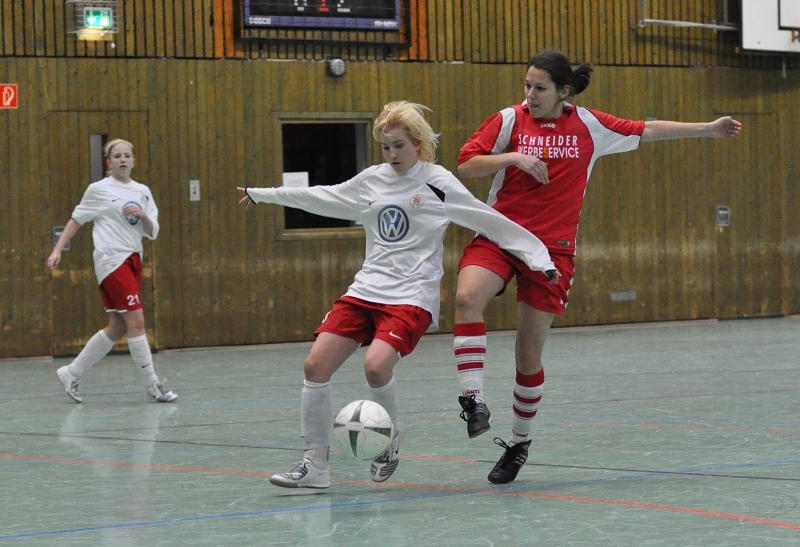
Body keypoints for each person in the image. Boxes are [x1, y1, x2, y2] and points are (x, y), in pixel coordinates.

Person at [452, 49, 742, 484]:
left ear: (564, 92)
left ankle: (518, 443)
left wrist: (708, 128)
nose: (530, 94)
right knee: (466, 297)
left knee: (528, 355)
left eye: (540, 88)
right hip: (501, 236)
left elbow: (647, 129)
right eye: (527, 85)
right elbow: (466, 164)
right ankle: (473, 400)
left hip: (552, 251)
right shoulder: (509, 120)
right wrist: (511, 158)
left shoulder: (589, 125)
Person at [237, 101, 558, 489]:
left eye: (399, 146)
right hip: (366, 289)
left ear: (418, 143)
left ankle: (389, 440)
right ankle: (315, 465)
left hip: (411, 296)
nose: (391, 154)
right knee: (315, 366)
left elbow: (488, 220)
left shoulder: (438, 182)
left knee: (375, 367)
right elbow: (322, 196)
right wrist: (263, 195)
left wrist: (539, 257)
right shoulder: (371, 180)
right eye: (386, 147)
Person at [48, 139, 177, 404]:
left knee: (118, 327)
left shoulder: (142, 191)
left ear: (133, 160)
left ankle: (71, 372)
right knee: (137, 322)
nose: (122, 160)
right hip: (111, 260)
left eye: (127, 155)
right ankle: (153, 385)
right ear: (109, 162)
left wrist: (142, 215)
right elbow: (76, 219)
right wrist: (57, 249)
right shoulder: (99, 189)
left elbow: (152, 232)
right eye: (117, 156)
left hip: (133, 259)